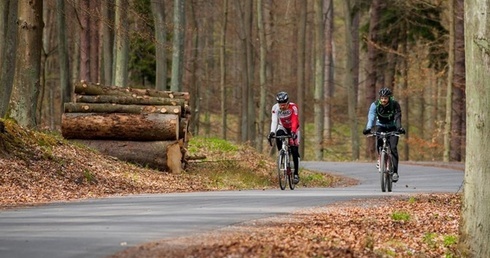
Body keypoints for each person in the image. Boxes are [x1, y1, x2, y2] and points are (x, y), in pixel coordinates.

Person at [362, 87, 405, 182]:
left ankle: (395, 173)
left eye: (385, 98)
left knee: (393, 148)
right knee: (380, 141)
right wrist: (368, 128)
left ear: (389, 98)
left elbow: (398, 117)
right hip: (380, 126)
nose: (383, 100)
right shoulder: (375, 105)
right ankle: (380, 158)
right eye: (382, 98)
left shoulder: (395, 104)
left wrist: (399, 128)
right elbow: (371, 117)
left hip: (392, 126)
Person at [267, 91, 301, 184]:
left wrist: (293, 132)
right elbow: (274, 121)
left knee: (294, 150)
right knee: (278, 135)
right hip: (283, 126)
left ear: (287, 103)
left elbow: (294, 120)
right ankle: (282, 154)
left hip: (293, 128)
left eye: (284, 105)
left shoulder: (293, 107)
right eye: (280, 105)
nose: (282, 107)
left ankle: (296, 174)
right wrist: (272, 132)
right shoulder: (275, 108)